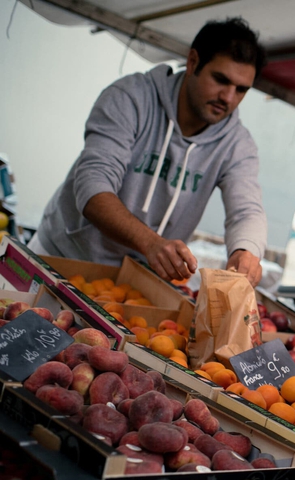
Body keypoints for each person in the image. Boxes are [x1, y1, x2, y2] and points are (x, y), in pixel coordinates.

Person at [29, 17, 267, 286]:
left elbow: (247, 210)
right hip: (58, 258)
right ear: (192, 62)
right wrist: (150, 243)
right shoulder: (130, 97)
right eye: (220, 80)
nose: (228, 97)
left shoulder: (238, 144)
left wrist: (246, 250)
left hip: (132, 284)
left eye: (241, 89)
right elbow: (93, 186)